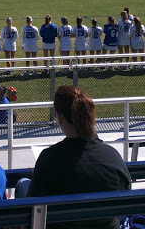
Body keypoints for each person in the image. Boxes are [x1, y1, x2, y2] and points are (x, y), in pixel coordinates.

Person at [19, 86, 131, 229]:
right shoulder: (113, 157)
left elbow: (31, 207)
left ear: (59, 118)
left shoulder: (48, 159)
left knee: (22, 184)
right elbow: (125, 196)